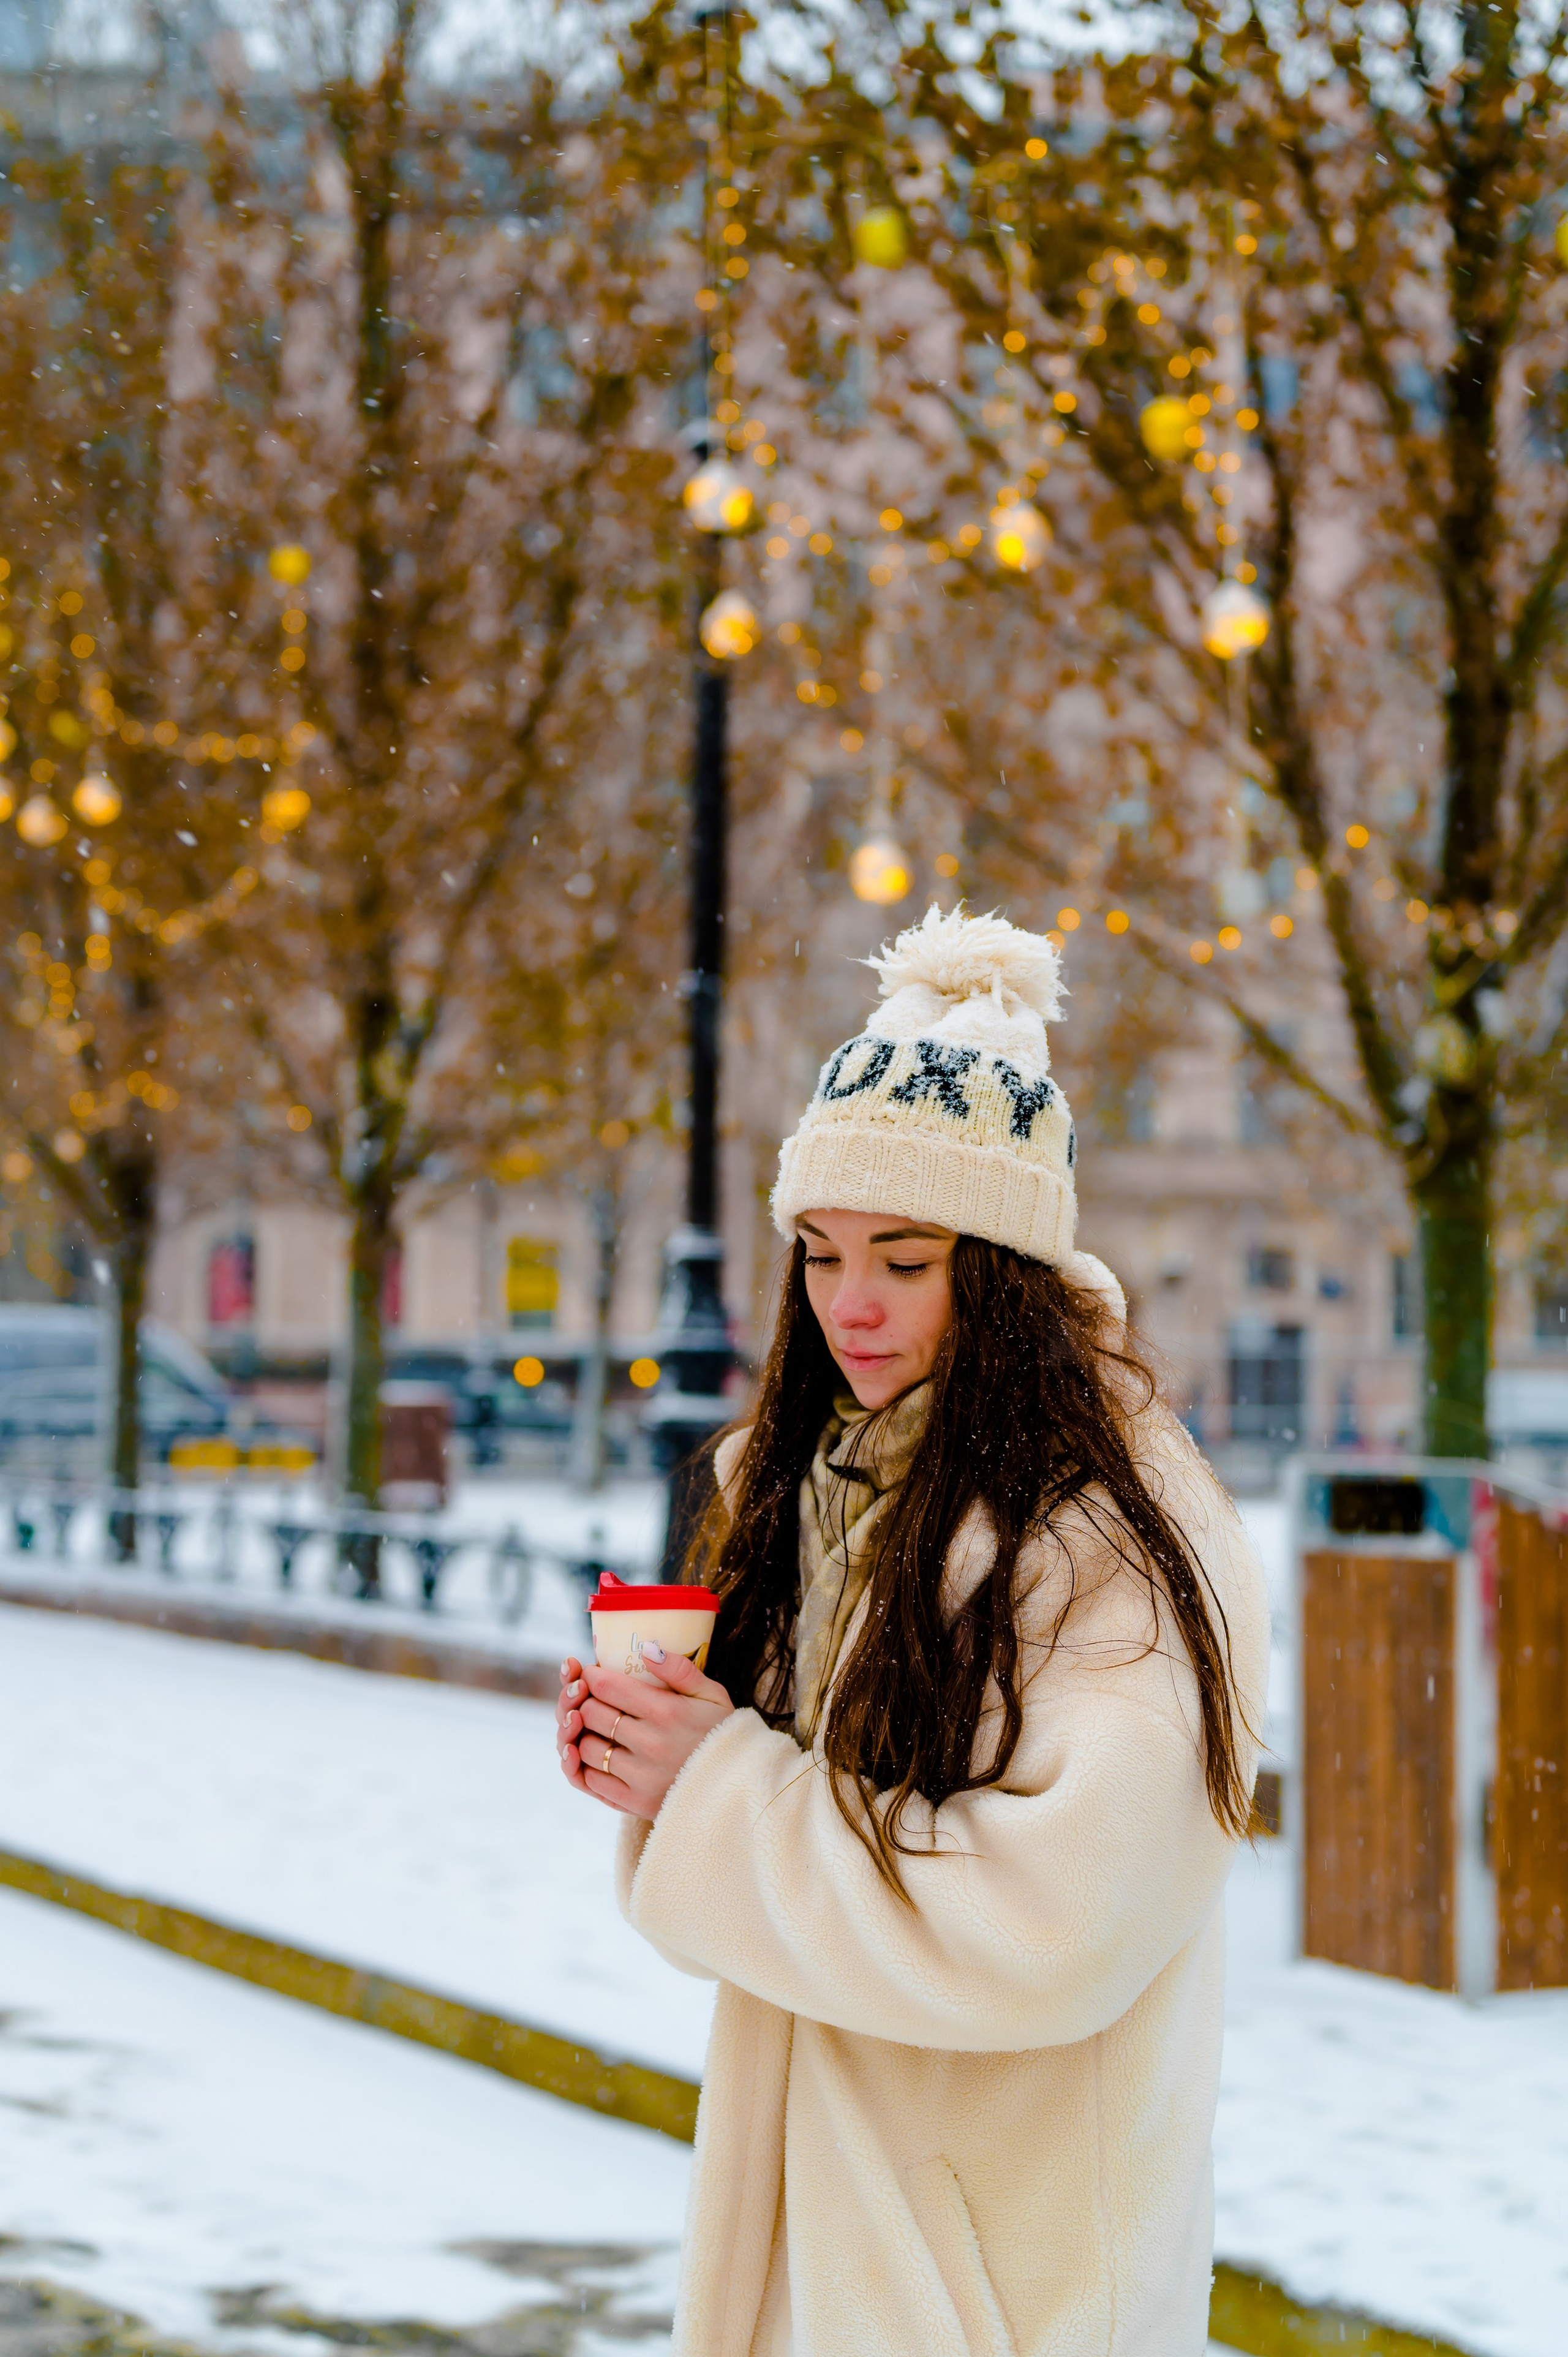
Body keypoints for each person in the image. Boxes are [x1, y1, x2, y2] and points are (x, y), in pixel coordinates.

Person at [557, 905, 1270, 2357]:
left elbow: (1054, 1925)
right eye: (818, 1254)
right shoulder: (819, 1485)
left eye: (903, 1256)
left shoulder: (1118, 1535)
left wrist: (718, 1789)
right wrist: (660, 1763)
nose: (849, 1305)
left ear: (1000, 1270)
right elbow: (799, 1866)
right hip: (821, 2248)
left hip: (1001, 2288)